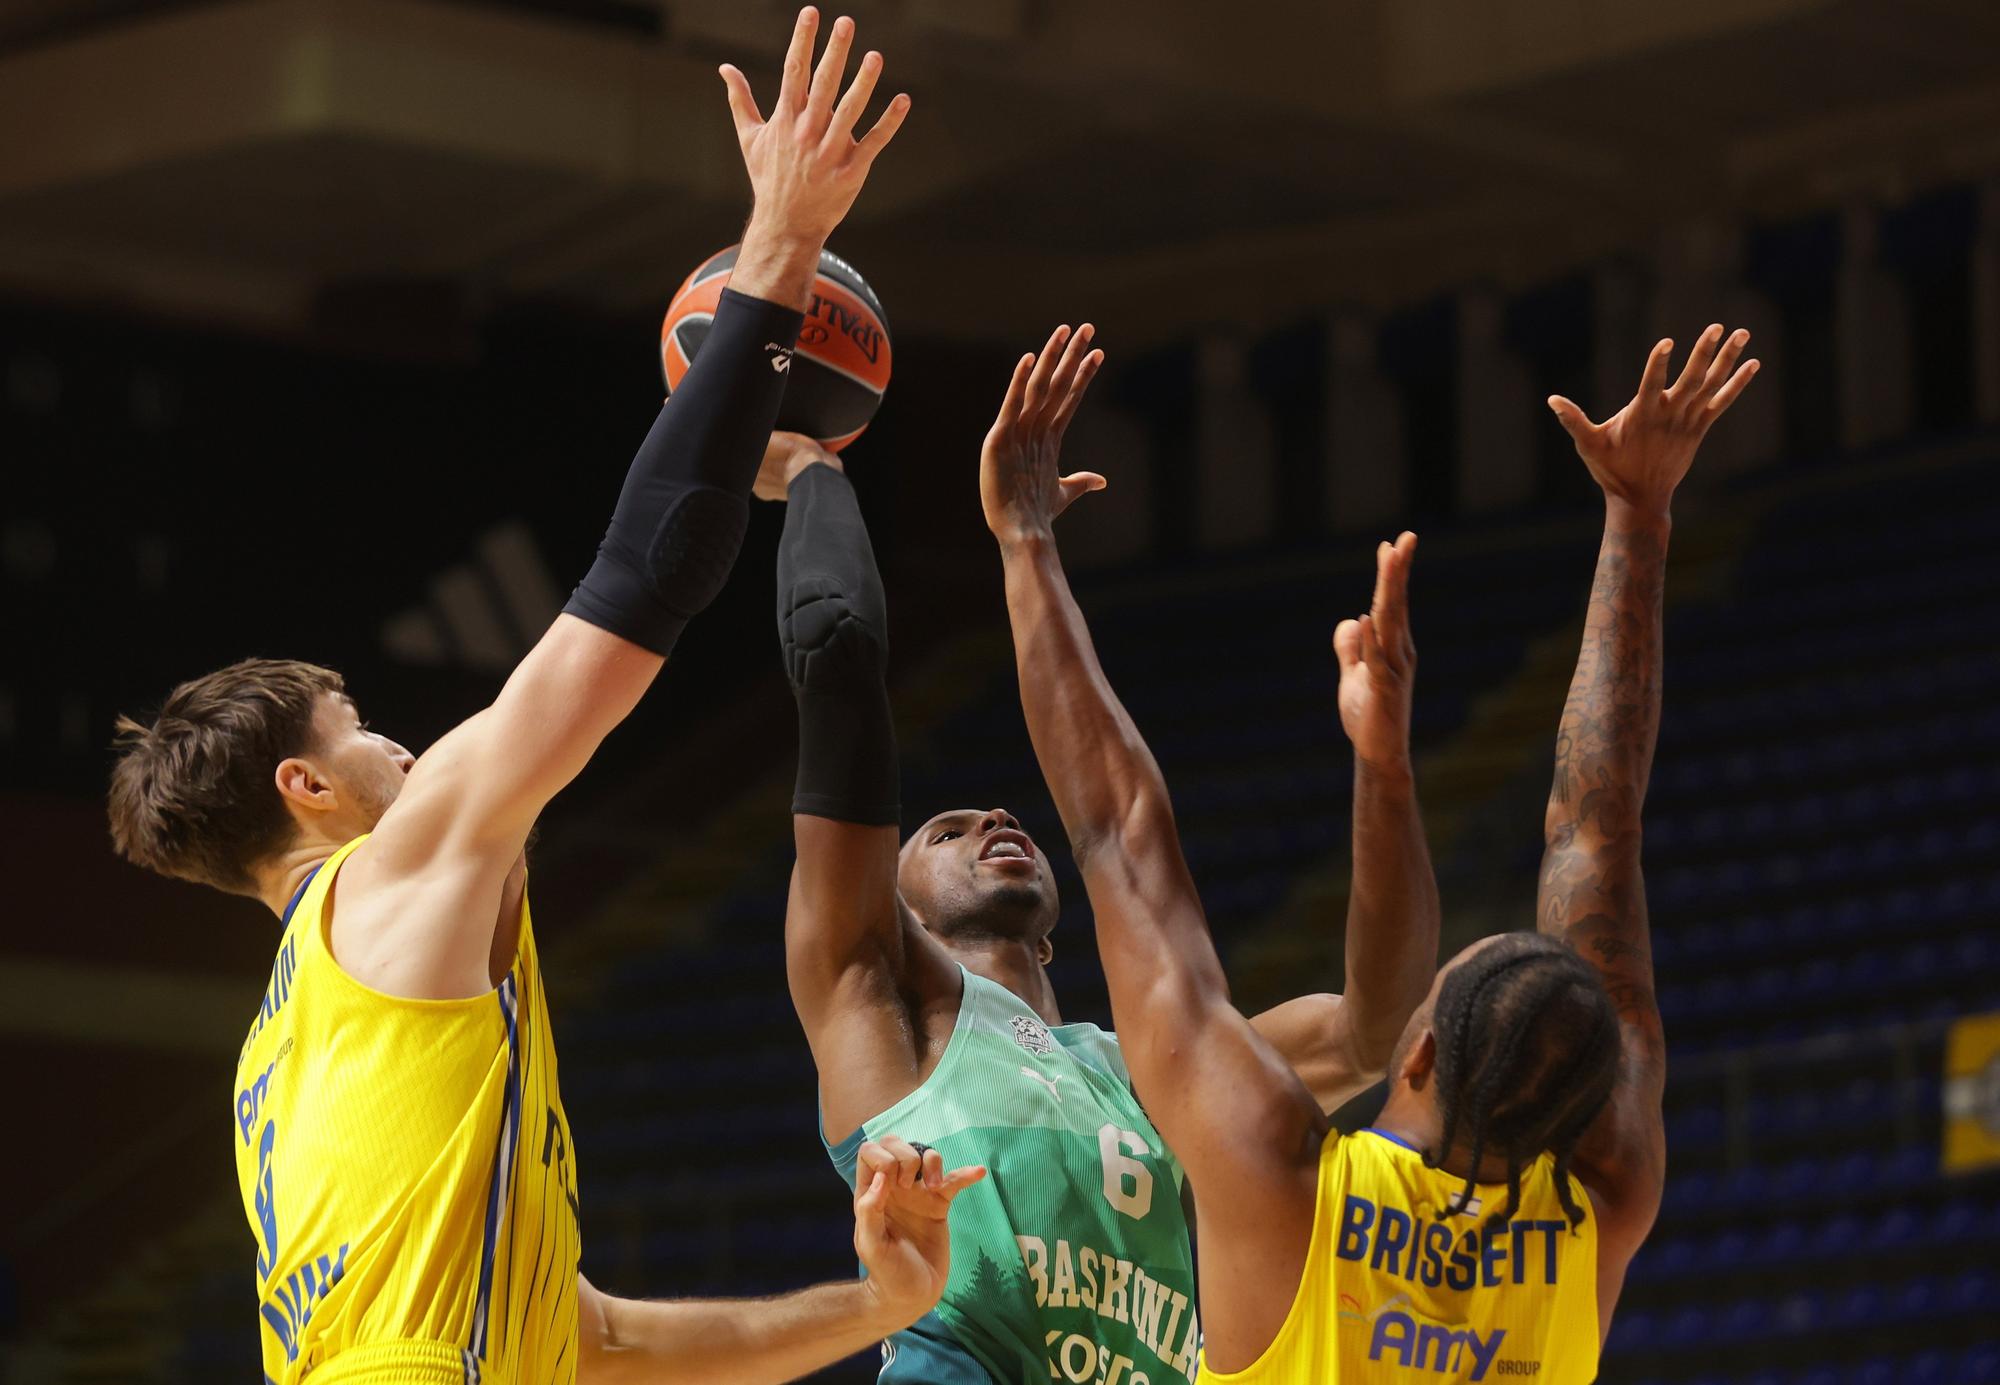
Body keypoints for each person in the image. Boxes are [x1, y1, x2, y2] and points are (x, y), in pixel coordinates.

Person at [106, 11, 985, 1383]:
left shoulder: (292, 1053)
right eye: (362, 730)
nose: (405, 744)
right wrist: (778, 250)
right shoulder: (388, 879)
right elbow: (638, 583)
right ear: (307, 788)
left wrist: (884, 1302)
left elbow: (610, 1341)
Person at [991, 321, 1757, 1383]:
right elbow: (1595, 834)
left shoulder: (1282, 1178)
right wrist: (1638, 513)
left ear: (1418, 1053)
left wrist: (1023, 536)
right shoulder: (1601, 1200)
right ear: (1590, 1098)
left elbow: (1119, 833)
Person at [759, 323, 1440, 1382]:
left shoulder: (1154, 1072)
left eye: (997, 819)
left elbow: (1376, 1024)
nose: (990, 822)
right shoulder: (878, 999)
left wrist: (1384, 771)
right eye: (944, 832)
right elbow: (841, 675)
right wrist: (814, 477)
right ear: (901, 907)